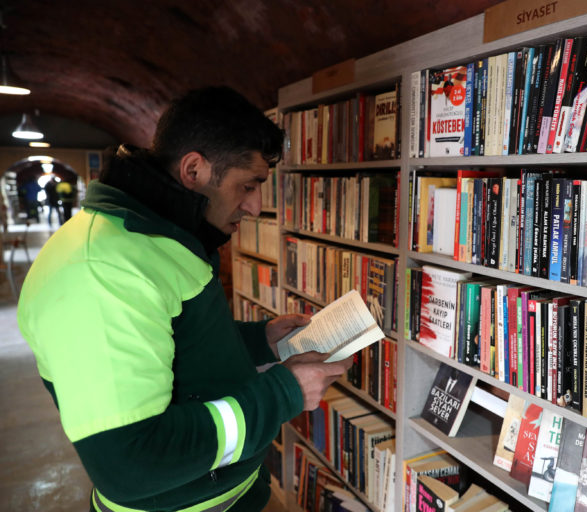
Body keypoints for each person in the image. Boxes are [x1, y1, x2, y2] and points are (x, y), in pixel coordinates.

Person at [17, 87, 353, 512]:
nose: (255, 207)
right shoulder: (102, 271)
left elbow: (167, 343)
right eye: (248, 186)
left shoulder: (156, 235)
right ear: (194, 169)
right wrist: (283, 393)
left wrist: (257, 340)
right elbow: (130, 463)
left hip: (229, 495)